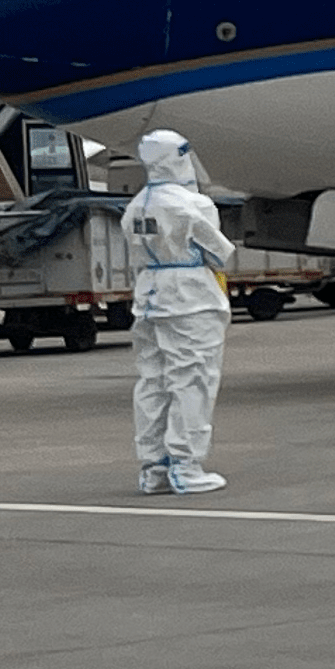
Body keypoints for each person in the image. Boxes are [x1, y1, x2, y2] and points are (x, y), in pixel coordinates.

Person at [121, 129, 236, 495]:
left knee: (153, 381)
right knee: (193, 379)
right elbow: (220, 252)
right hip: (190, 298)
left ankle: (153, 465)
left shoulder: (136, 206)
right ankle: (186, 465)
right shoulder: (192, 204)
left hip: (148, 295)